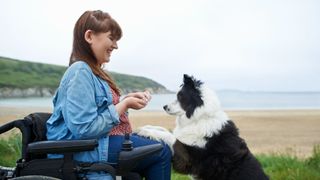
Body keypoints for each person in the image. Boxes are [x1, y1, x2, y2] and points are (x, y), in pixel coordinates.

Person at [46, 10, 172, 180]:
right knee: (161, 152)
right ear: (90, 36)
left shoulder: (94, 72)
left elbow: (99, 110)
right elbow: (85, 129)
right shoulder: (80, 71)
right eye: (111, 38)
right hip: (82, 151)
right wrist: (124, 105)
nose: (116, 46)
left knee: (137, 171)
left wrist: (126, 100)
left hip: (95, 145)